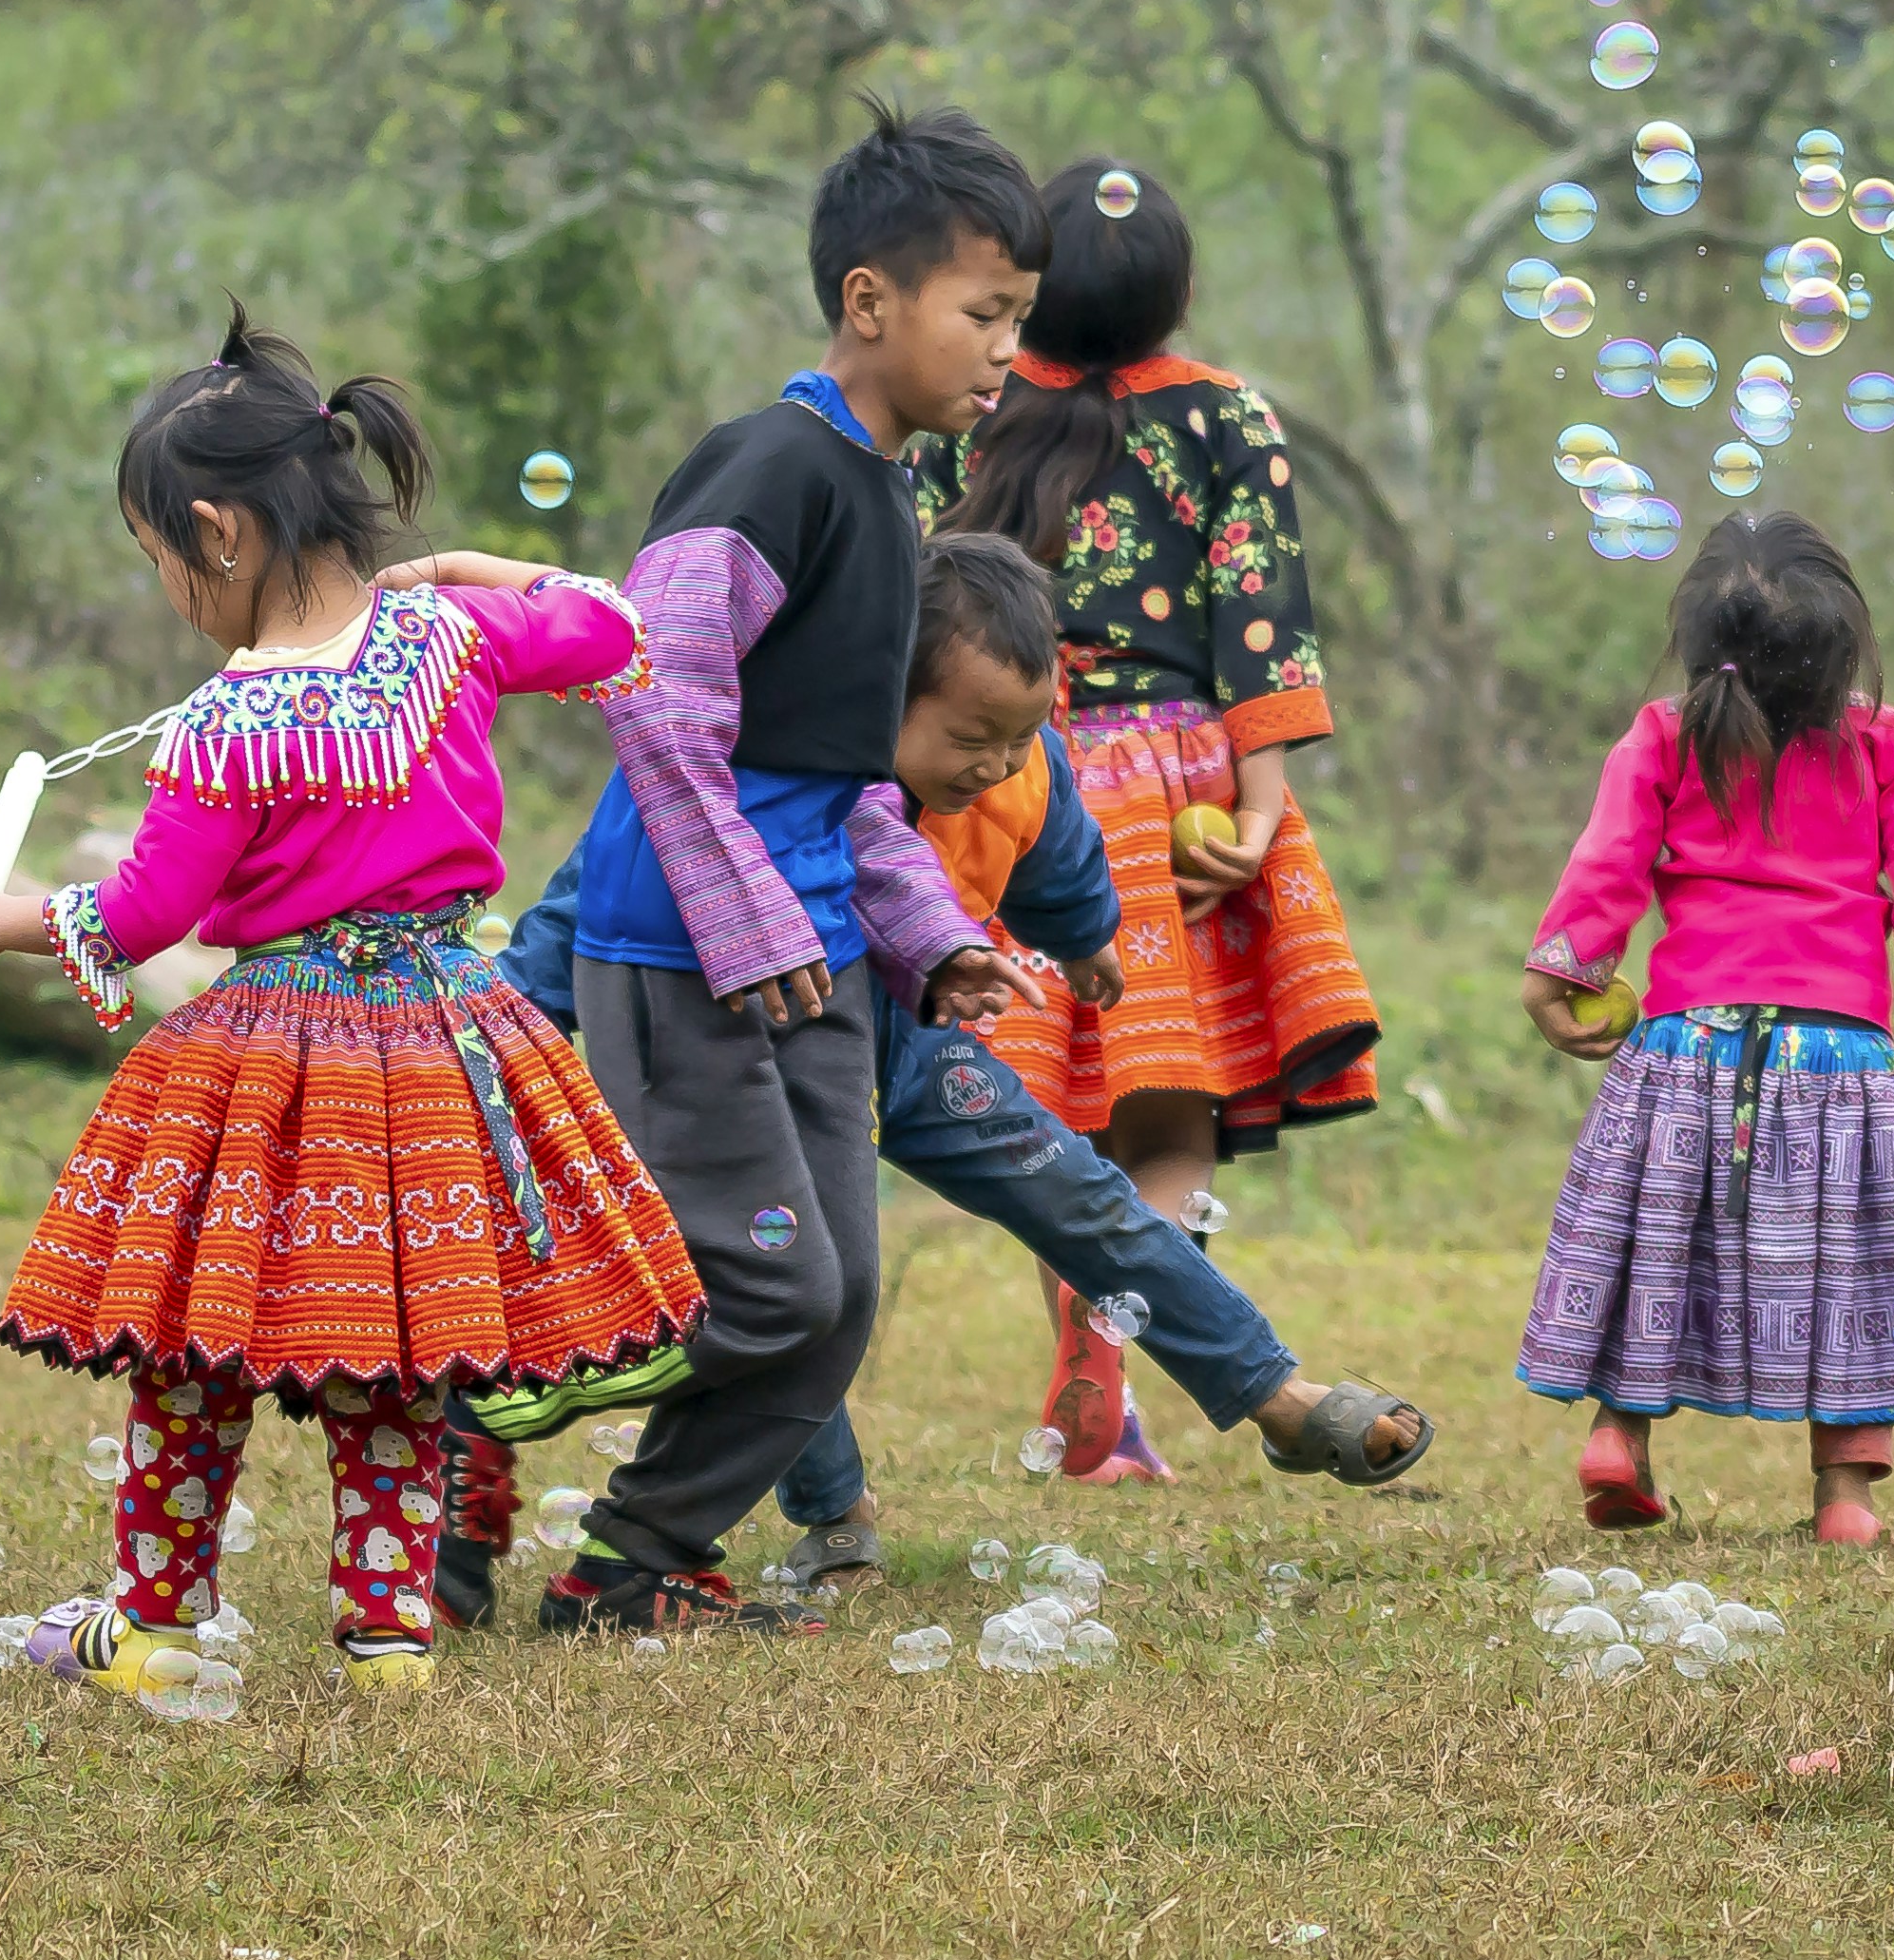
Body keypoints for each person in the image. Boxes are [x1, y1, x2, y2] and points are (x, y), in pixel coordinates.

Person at [0, 319, 691, 1692]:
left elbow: (145, 913)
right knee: (391, 1353)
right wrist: (466, 568)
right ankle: (388, 1641)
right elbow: (611, 625)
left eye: (161, 558)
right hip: (448, 1029)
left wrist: (16, 917)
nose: (170, 589)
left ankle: (151, 1629)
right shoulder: (447, 632)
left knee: (190, 1345)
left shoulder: (224, 724)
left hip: (271, 1058)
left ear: (218, 529)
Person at [476, 530, 1432, 1593]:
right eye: (975, 734)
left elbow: (1062, 863)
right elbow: (583, 912)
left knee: (1081, 1194)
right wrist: (497, 1039)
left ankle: (1273, 1393)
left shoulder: (1025, 765)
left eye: (1023, 736)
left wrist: (1088, 941)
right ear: (873, 683)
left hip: (914, 1038)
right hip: (752, 1037)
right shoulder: (751, 774)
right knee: (786, 1264)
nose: (1001, 762)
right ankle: (833, 1511)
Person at [486, 105, 1041, 1634]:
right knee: (772, 1291)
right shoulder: (770, 469)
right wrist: (740, 929)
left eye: (1019, 323)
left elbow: (847, 782)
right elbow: (657, 702)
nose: (1006, 354)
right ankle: (477, 1400)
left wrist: (931, 940)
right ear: (870, 302)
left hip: (810, 965)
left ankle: (622, 1574)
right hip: (683, 958)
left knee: (835, 1304)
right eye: (984, 315)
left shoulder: (889, 494)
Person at [935, 158, 1384, 1474]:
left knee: (1052, 1115)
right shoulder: (1227, 415)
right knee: (1170, 1112)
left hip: (1018, 778)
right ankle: (1116, 1351)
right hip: (1179, 781)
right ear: (1172, 289)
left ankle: (1104, 1404)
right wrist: (1255, 811)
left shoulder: (969, 404)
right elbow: (1264, 626)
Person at [1511, 512, 1894, 1545]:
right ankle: (1845, 1498)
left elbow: (1608, 864)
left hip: (1687, 1047)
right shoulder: (1889, 742)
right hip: (1843, 1054)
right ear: (1842, 650)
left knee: (1660, 1246)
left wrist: (1558, 975)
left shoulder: (1661, 734)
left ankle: (1621, 1433)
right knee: (1851, 1266)